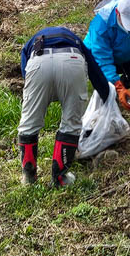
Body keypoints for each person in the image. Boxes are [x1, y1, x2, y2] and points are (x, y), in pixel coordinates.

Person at [18, 26, 110, 188]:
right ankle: (60, 178)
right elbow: (95, 71)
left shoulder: (32, 41)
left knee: (29, 124)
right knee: (71, 124)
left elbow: (26, 70)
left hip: (38, 61)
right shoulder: (76, 40)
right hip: (72, 61)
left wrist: (38, 93)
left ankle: (29, 178)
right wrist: (107, 96)